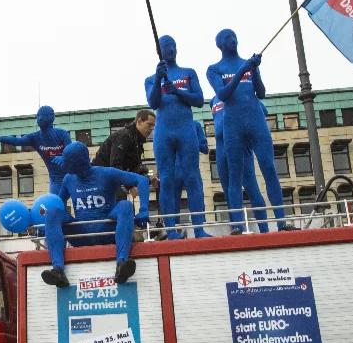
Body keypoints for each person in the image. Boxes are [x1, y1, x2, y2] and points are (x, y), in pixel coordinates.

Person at [205, 28, 286, 234]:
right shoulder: (214, 69)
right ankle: (238, 226)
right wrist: (243, 71)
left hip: (256, 121)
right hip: (233, 126)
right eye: (227, 38)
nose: (233, 40)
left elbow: (261, 93)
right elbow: (223, 93)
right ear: (220, 44)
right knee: (235, 177)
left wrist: (255, 70)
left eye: (234, 37)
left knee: (269, 168)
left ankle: (282, 221)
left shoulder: (248, 65)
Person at [41, 142, 150, 288]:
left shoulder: (107, 173)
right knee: (53, 212)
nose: (64, 164)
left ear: (78, 163)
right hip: (81, 234)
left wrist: (143, 209)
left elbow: (141, 180)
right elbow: (58, 204)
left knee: (125, 205)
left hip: (107, 231)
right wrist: (46, 222)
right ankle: (58, 270)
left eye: (67, 161)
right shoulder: (68, 179)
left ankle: (122, 264)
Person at [145, 36, 210, 239]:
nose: (171, 49)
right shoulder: (150, 79)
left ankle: (199, 228)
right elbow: (153, 102)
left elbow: (199, 100)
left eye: (173, 46)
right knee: (166, 179)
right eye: (166, 47)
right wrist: (158, 78)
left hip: (185, 130)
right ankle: (171, 229)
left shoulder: (188, 73)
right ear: (159, 51)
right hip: (164, 132)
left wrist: (178, 91)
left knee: (192, 177)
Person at [211, 98, 270, 233]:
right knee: (229, 191)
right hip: (221, 150)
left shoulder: (243, 93)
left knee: (251, 187)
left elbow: (262, 112)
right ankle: (237, 227)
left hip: (241, 147)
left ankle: (264, 229)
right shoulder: (214, 100)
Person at [0, 106, 71, 195]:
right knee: (54, 204)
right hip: (56, 179)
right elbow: (17, 141)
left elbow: (72, 151)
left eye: (43, 115)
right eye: (38, 116)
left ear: (51, 117)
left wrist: (64, 157)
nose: (40, 118)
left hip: (72, 174)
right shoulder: (35, 137)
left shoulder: (62, 134)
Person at [93, 109, 155, 178]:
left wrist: (148, 179)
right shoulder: (124, 136)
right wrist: (130, 186)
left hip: (107, 177)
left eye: (153, 126)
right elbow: (115, 166)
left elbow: (134, 168)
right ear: (139, 121)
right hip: (100, 177)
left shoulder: (137, 140)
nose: (152, 128)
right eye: (149, 125)